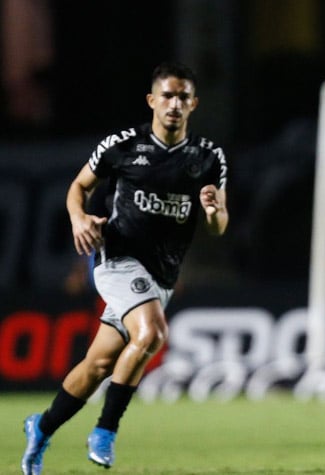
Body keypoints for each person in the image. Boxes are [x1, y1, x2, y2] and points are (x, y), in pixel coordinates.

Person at [21, 62, 229, 475]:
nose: (174, 104)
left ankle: (41, 427)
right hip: (117, 259)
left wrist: (212, 210)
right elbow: (78, 187)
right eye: (167, 95)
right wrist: (80, 219)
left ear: (194, 104)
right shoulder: (122, 145)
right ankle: (105, 429)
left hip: (162, 276)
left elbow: (218, 226)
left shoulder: (207, 158)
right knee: (151, 333)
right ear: (152, 100)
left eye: (183, 97)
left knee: (98, 365)